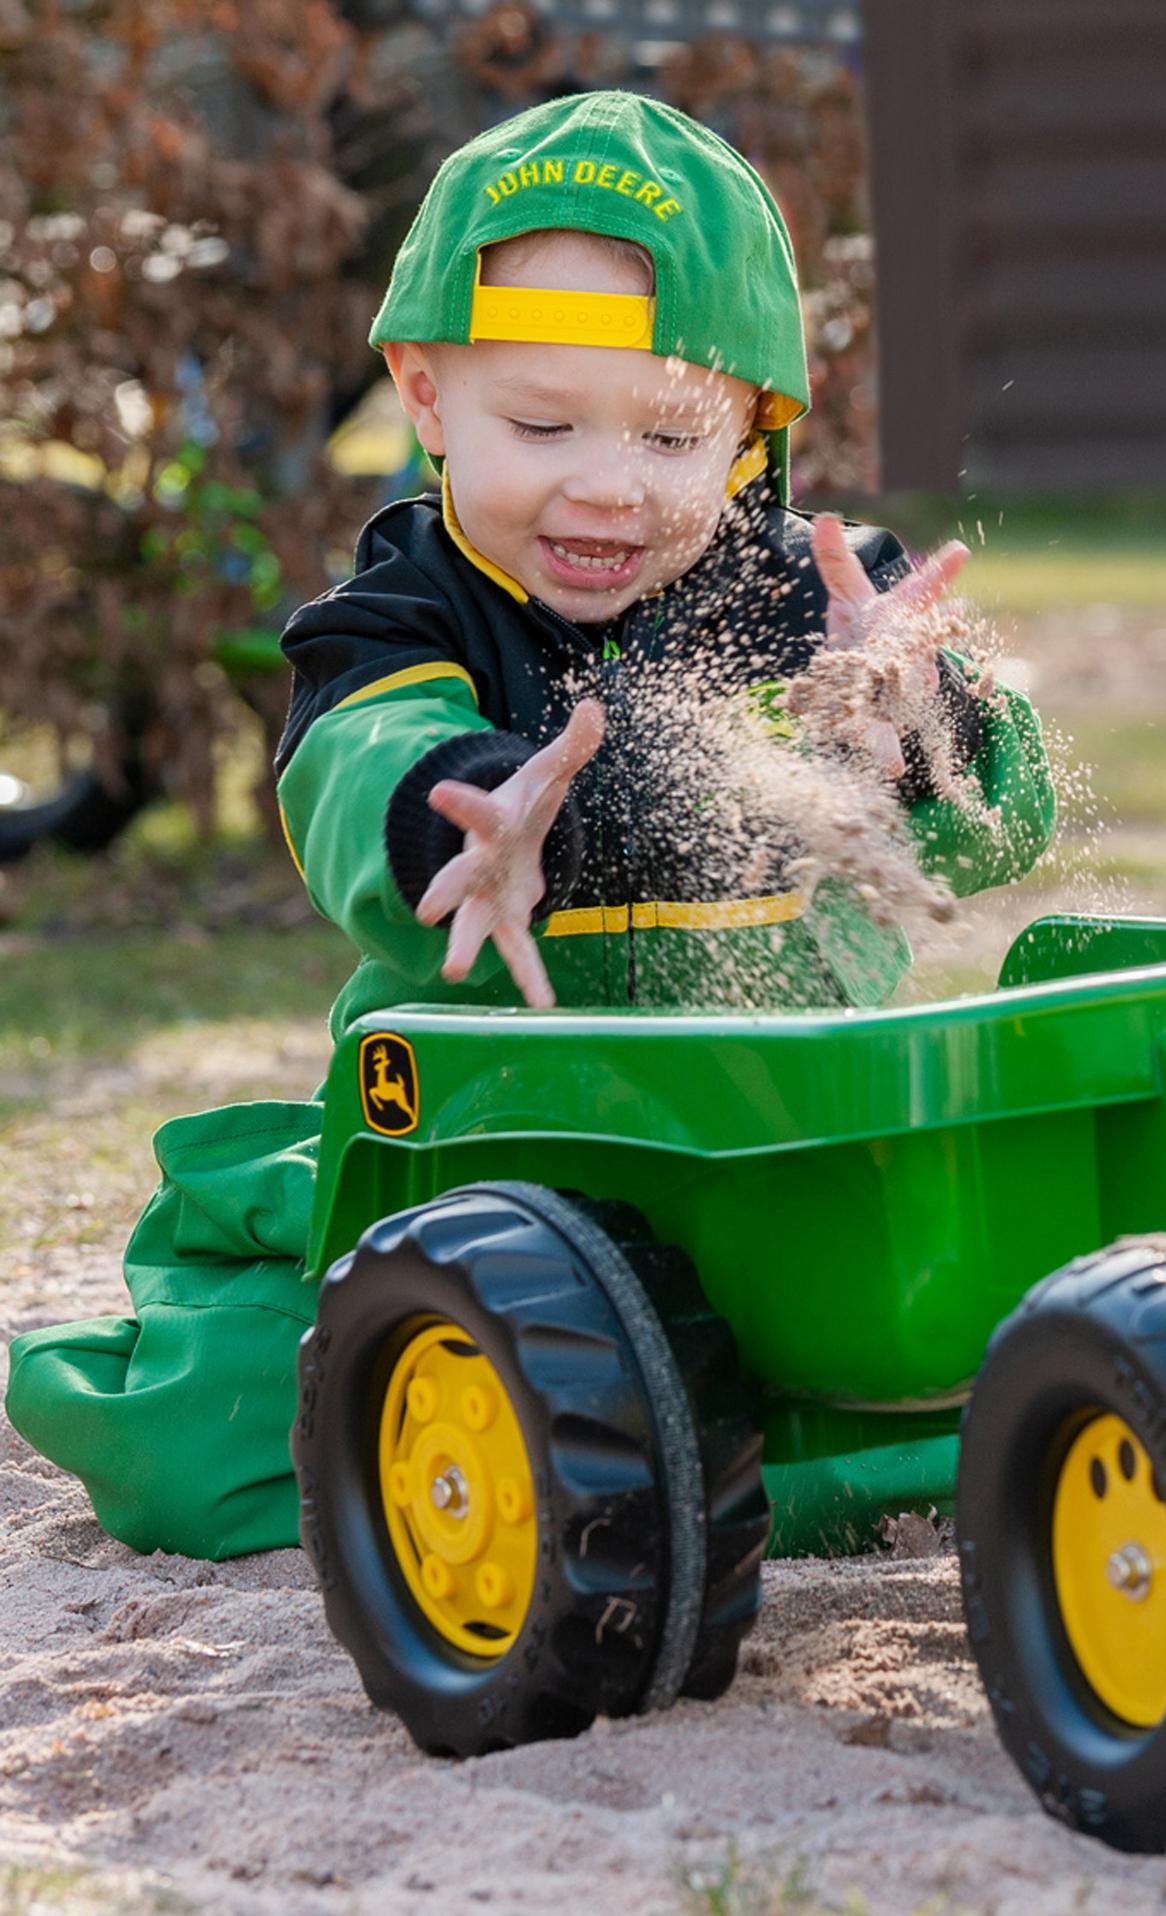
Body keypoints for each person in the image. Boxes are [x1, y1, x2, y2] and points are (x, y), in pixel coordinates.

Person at [4, 91, 1054, 1559]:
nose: (608, 486)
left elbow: (995, 829)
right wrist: (469, 824)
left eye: (674, 436)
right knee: (207, 1448)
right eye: (541, 421)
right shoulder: (398, 620)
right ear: (427, 397)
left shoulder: (820, 605)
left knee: (995, 1322)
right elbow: (363, 773)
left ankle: (747, 1437)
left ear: (756, 430)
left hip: (782, 1164)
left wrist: (917, 729)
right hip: (489, 1178)